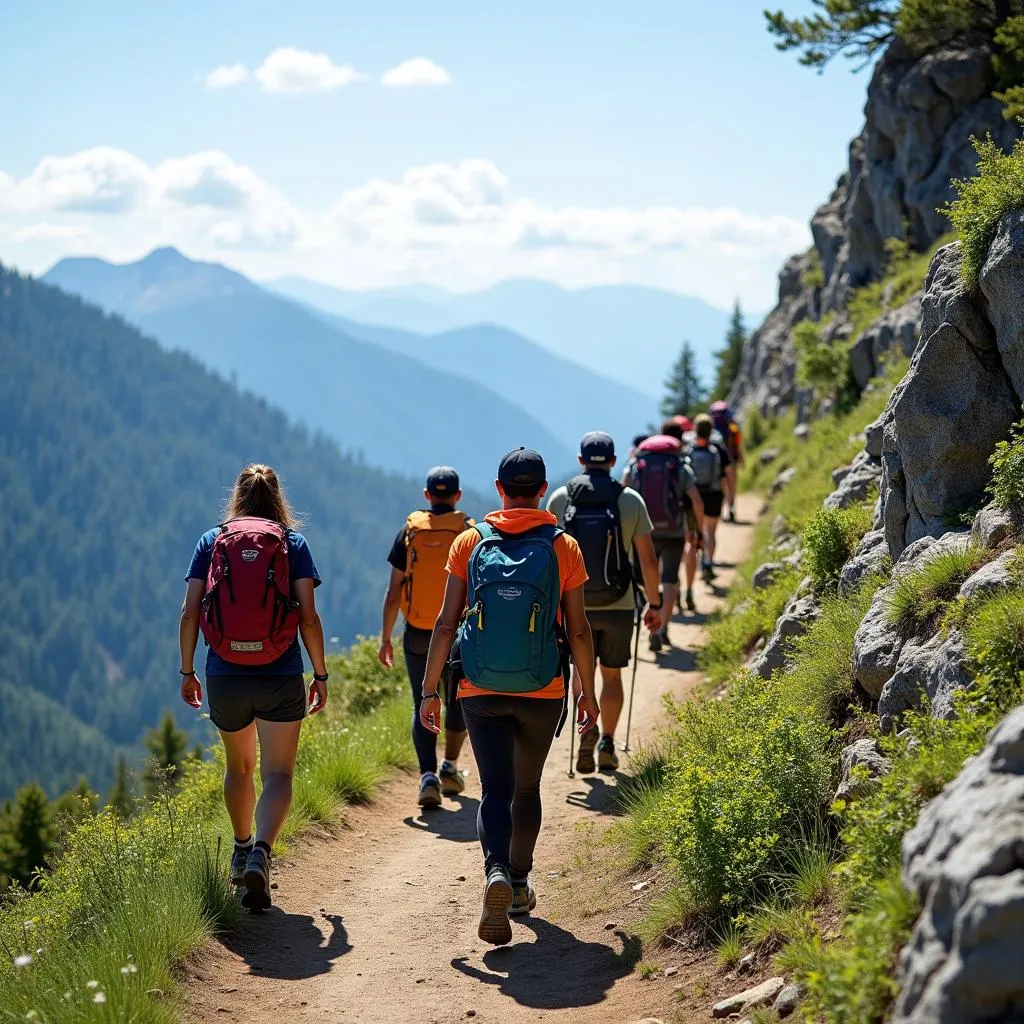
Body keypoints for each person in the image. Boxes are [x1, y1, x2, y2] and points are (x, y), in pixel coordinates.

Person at [418, 447, 598, 945]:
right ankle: (518, 883)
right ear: (542, 490)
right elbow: (578, 630)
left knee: (495, 788)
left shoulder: (471, 542)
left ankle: (494, 870)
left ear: (499, 488)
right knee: (526, 789)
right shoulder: (563, 546)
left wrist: (430, 691)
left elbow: (445, 623)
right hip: (544, 687)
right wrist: (587, 693)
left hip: (479, 686)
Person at [179, 464, 328, 911]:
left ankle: (241, 848)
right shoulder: (292, 544)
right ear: (278, 499)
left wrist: (187, 671)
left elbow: (189, 613)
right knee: (278, 774)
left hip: (224, 671)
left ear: (238, 498)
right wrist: (320, 675)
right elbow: (308, 617)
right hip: (279, 672)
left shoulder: (212, 541)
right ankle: (262, 853)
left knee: (239, 768)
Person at [546, 432, 663, 773]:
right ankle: (608, 743)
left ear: (581, 460)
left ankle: (587, 729)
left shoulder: (560, 499)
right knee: (611, 676)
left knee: (581, 675)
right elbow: (649, 561)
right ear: (613, 461)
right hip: (618, 603)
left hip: (573, 605)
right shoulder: (629, 500)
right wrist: (654, 604)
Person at [379, 466, 472, 808]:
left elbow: (393, 593)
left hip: (419, 632)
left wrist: (386, 637)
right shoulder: (468, 531)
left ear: (427, 495)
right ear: (457, 496)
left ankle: (428, 776)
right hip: (459, 631)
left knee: (422, 701)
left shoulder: (410, 531)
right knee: (457, 700)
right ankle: (449, 767)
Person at [625, 424, 705, 651]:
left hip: (643, 532)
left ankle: (652, 608)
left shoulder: (636, 465)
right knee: (670, 578)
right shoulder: (680, 466)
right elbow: (696, 501)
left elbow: (621, 493)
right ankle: (662, 629)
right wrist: (698, 530)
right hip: (674, 531)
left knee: (644, 577)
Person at [690, 414, 732, 582]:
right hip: (714, 494)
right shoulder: (718, 449)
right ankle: (708, 562)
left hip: (695, 496)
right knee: (711, 531)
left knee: (695, 532)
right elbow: (728, 473)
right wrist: (730, 497)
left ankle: (697, 562)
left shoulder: (689, 450)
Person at [709, 401, 743, 522]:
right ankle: (731, 508)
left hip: (717, 462)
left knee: (722, 486)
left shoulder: (712, 429)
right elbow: (737, 445)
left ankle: (722, 511)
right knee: (732, 485)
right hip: (731, 460)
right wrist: (742, 460)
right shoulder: (733, 428)